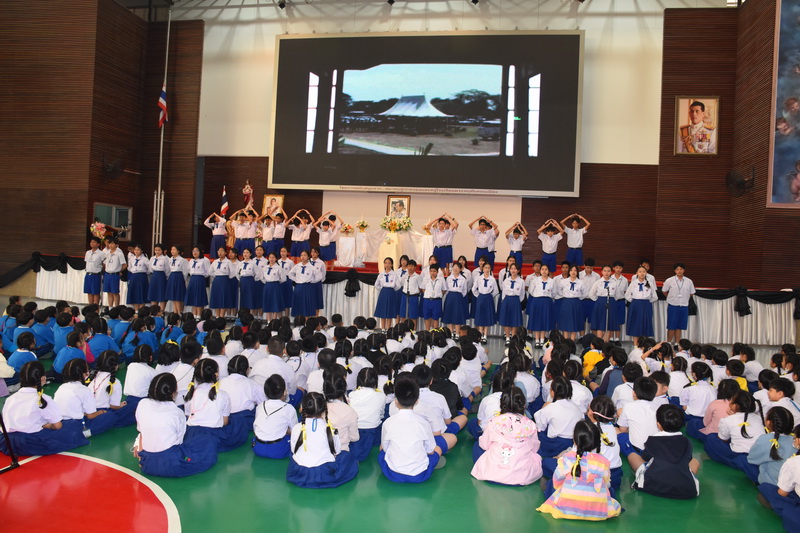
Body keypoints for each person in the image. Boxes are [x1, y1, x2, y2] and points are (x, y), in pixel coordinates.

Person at [133, 372, 218, 477]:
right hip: (171, 464)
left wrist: (141, 455)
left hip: (147, 464)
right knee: (206, 441)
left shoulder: (142, 403)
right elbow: (180, 441)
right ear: (173, 393)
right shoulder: (176, 412)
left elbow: (142, 432)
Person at [536, 420, 622, 521]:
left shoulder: (567, 458)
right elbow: (607, 484)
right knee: (610, 492)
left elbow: (557, 480)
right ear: (597, 441)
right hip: (598, 511)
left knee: (551, 485)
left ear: (574, 440)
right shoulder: (603, 461)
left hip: (566, 508)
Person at [0, 361, 89, 456]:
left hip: (7, 442)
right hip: (31, 443)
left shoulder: (10, 399)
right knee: (72, 425)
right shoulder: (42, 399)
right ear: (43, 379)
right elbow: (57, 426)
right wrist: (46, 425)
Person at [379, 376, 445, 482]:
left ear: (395, 401)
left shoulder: (388, 423)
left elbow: (385, 448)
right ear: (417, 401)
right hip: (420, 475)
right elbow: (430, 450)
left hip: (392, 474)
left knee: (382, 450)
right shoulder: (424, 423)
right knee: (437, 449)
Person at [471, 386, 542, 485]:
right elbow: (535, 448)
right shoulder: (531, 425)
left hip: (492, 474)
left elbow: (484, 444)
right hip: (521, 476)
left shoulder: (495, 421)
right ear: (523, 405)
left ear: (501, 404)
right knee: (535, 455)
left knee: (477, 446)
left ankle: (495, 470)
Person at [286, 391, 358, 488]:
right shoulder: (330, 429)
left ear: (302, 408)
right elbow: (336, 451)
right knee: (347, 457)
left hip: (299, 472)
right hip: (323, 473)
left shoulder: (296, 428)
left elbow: (293, 450)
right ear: (324, 409)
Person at [628, 404, 700, 499]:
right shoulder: (687, 441)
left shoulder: (652, 440)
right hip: (686, 489)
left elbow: (646, 457)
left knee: (632, 455)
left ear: (658, 425)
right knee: (695, 461)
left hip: (652, 485)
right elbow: (688, 459)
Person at [757, 423, 800, 533]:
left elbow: (782, 493)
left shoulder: (793, 462)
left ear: (799, 440)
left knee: (766, 488)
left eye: (795, 438)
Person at [534, 376, 584, 458]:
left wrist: (543, 408)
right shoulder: (577, 408)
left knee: (536, 432)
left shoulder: (550, 408)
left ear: (552, 392)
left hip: (554, 444)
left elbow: (540, 427)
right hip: (573, 443)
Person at [746, 407, 796, 485]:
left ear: (768, 422)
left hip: (771, 483)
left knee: (744, 460)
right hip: (792, 484)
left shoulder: (765, 439)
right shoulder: (795, 440)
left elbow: (751, 459)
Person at [252, 374, 297, 459]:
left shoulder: (260, 406)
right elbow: (294, 431)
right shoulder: (289, 408)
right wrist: (286, 431)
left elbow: (255, 429)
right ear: (285, 392)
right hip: (278, 450)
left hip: (258, 448)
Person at [348, 368, 386, 462]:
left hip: (355, 429)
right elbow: (381, 415)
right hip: (372, 431)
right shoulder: (381, 395)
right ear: (375, 381)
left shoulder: (351, 395)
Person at [661, 263, 696, 344]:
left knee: (679, 326)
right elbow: (664, 291)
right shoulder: (669, 280)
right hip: (673, 305)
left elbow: (692, 293)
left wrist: (684, 298)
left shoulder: (689, 281)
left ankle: (677, 343)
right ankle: (669, 343)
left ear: (684, 270)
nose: (679, 271)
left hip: (683, 306)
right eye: (677, 269)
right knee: (671, 326)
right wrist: (671, 298)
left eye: (681, 269)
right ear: (674, 271)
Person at [625, 265, 658, 339]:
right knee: (635, 323)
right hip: (635, 304)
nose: (642, 273)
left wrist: (647, 301)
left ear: (646, 273)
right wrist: (634, 301)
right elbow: (627, 295)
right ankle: (635, 344)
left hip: (646, 305)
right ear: (637, 273)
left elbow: (655, 297)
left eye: (644, 272)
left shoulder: (649, 284)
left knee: (646, 322)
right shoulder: (633, 283)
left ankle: (645, 343)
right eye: (640, 272)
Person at [527, 264, 555, 348]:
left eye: (546, 269)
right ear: (540, 271)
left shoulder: (552, 281)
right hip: (537, 301)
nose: (544, 271)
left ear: (548, 271)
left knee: (544, 321)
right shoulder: (535, 280)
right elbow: (531, 291)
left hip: (547, 302)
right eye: (542, 269)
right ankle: (537, 340)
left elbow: (554, 292)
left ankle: (542, 340)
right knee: (537, 320)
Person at [555, 265, 586, 340]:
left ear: (577, 272)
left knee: (574, 322)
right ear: (569, 272)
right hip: (566, 302)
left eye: (575, 270)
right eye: (571, 270)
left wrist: (577, 297)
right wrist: (565, 295)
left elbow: (585, 293)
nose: (573, 272)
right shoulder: (563, 282)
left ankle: (572, 341)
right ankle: (566, 341)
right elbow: (559, 291)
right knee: (565, 322)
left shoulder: (581, 282)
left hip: (576, 303)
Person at [471, 262, 498, 344]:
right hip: (481, 298)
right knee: (480, 316)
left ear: (490, 269)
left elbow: (496, 290)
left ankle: (485, 336)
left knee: (487, 316)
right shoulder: (479, 278)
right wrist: (479, 295)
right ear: (483, 269)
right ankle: (480, 335)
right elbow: (474, 289)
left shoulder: (492, 279)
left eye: (488, 268)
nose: (487, 269)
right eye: (485, 268)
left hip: (488, 298)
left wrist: (489, 296)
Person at [498, 263, 525, 344]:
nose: (513, 270)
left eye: (515, 269)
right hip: (507, 300)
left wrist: (516, 300)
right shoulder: (506, 280)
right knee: (507, 319)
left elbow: (522, 294)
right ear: (509, 270)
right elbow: (503, 292)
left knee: (514, 320)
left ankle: (513, 337)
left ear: (518, 270)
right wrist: (505, 301)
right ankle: (507, 337)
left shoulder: (521, 281)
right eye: (512, 268)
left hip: (516, 301)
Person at [442, 262, 468, 337]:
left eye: (457, 267)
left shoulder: (463, 279)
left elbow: (464, 291)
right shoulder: (449, 278)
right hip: (450, 297)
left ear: (460, 269)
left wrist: (458, 296)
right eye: (454, 267)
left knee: (457, 315)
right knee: (449, 315)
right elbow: (446, 289)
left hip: (458, 298)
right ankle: (450, 333)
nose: (455, 269)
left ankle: (457, 333)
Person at [374, 258, 400, 331]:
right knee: (383, 310)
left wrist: (392, 290)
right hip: (383, 293)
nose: (387, 265)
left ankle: (388, 328)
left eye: (389, 263)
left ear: (391, 264)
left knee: (389, 311)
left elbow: (398, 286)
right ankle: (383, 328)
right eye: (385, 263)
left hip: (391, 293)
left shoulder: (394, 274)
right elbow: (376, 284)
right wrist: (382, 289)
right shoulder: (381, 274)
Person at [185, 247, 211, 318]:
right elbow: (189, 270)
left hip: (200, 279)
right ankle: (194, 314)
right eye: (193, 251)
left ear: (200, 252)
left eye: (197, 251)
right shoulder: (191, 261)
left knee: (199, 297)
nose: (195, 252)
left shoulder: (205, 260)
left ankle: (199, 315)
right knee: (193, 297)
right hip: (192, 279)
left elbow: (208, 271)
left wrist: (202, 276)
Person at [102, 238, 126, 309]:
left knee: (115, 292)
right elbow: (104, 263)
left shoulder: (119, 254)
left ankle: (116, 307)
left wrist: (119, 271)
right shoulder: (107, 254)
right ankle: (110, 307)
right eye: (109, 243)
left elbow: (124, 265)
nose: (110, 245)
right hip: (107, 274)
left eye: (112, 243)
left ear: (116, 245)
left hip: (114, 274)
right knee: (109, 292)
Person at [126, 243, 151, 311]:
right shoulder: (132, 259)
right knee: (135, 293)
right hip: (134, 276)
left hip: (142, 277)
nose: (136, 251)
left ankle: (141, 310)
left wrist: (145, 272)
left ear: (141, 251)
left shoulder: (145, 259)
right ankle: (136, 310)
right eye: (135, 250)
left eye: (138, 250)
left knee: (142, 293)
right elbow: (129, 267)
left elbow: (149, 268)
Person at [421, 263, 446, 331]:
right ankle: (427, 331)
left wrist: (438, 294)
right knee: (427, 317)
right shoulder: (426, 279)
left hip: (436, 301)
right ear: (429, 271)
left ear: (437, 272)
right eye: (431, 271)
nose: (432, 273)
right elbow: (423, 288)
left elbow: (444, 290)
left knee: (436, 317)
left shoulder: (441, 279)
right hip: (427, 300)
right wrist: (428, 294)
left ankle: (435, 332)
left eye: (434, 271)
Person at [84, 237, 104, 306]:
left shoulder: (101, 253)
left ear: (98, 244)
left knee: (95, 292)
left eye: (94, 242)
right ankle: (90, 306)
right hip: (88, 274)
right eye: (91, 242)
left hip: (96, 274)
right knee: (89, 291)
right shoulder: (88, 252)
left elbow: (104, 263)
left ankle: (96, 307)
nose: (92, 243)